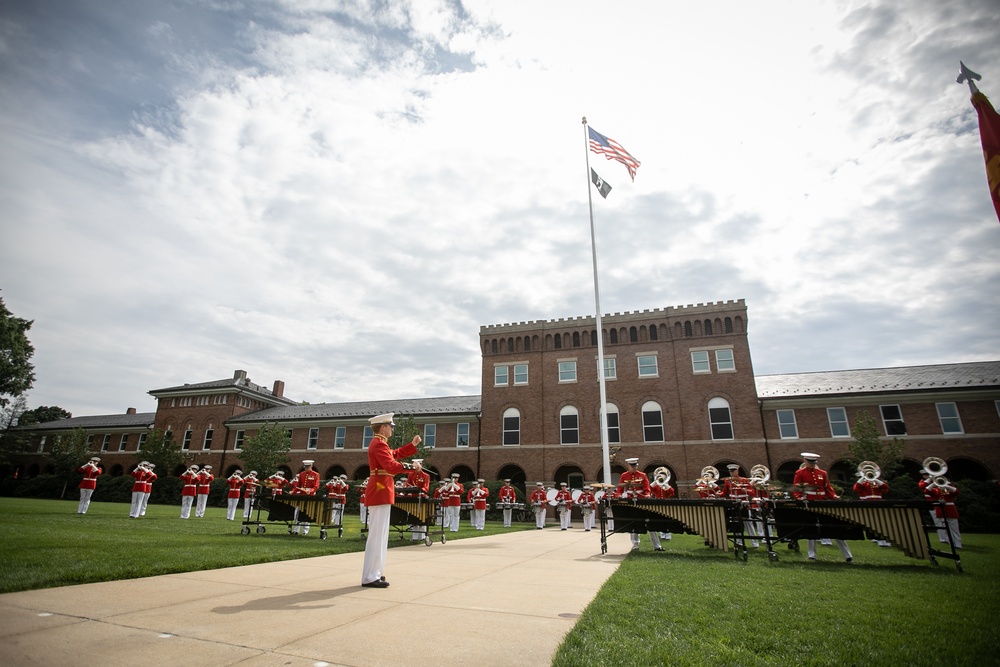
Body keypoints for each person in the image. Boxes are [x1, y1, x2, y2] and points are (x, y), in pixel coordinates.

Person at [361, 412, 421, 588]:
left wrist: (412, 446)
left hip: (382, 490)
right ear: (383, 427)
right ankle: (370, 576)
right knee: (377, 535)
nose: (392, 429)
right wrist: (413, 467)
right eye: (391, 426)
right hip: (380, 490)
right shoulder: (378, 444)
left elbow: (394, 454)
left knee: (381, 535)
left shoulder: (381, 444)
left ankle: (375, 573)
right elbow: (391, 466)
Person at [791, 452, 853, 562]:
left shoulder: (822, 473)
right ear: (805, 461)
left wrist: (834, 496)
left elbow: (827, 487)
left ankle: (848, 555)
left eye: (813, 462)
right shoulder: (800, 473)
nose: (812, 464)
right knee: (811, 528)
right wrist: (799, 497)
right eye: (810, 462)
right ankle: (812, 555)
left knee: (834, 527)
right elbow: (796, 487)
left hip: (823, 502)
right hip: (810, 502)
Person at [615, 457, 661, 551]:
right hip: (631, 501)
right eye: (632, 466)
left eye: (635, 465)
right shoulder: (624, 475)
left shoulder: (642, 475)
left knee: (649, 522)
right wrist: (619, 495)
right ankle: (635, 545)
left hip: (642, 500)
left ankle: (657, 546)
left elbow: (647, 488)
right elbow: (620, 489)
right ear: (629, 466)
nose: (634, 467)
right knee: (634, 523)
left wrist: (647, 494)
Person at [720, 464, 759, 548]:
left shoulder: (744, 480)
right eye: (730, 471)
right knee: (736, 523)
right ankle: (738, 542)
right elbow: (725, 492)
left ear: (737, 471)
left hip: (743, 502)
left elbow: (752, 492)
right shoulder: (727, 481)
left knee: (748, 523)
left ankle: (754, 543)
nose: (731, 473)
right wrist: (718, 494)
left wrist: (746, 490)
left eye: (733, 471)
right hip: (733, 503)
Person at [853, 470, 890, 546]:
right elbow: (856, 488)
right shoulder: (864, 483)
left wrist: (875, 479)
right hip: (869, 503)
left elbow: (886, 488)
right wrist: (863, 477)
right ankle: (876, 538)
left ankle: (885, 539)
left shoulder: (877, 483)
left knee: (882, 521)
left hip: (879, 503)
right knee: (873, 521)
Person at [925, 478, 962, 549]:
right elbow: (926, 490)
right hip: (941, 509)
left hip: (950, 509)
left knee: (954, 527)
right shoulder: (935, 490)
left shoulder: (949, 489)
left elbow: (957, 492)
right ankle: (951, 543)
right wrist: (934, 483)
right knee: (945, 528)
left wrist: (947, 485)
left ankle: (958, 544)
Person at [290, 459, 320, 535]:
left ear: (311, 466)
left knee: (307, 513)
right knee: (297, 512)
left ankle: (305, 531)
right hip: (302, 495)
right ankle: (296, 530)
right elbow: (298, 485)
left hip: (310, 495)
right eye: (305, 467)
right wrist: (293, 491)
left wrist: (310, 491)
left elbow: (316, 486)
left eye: (307, 467)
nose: (306, 468)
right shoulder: (301, 474)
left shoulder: (315, 474)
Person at [404, 459, 431, 541]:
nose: (416, 468)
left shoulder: (426, 476)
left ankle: (422, 536)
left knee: (422, 518)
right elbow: (408, 485)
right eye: (415, 466)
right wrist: (407, 490)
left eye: (418, 466)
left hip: (421, 498)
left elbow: (426, 487)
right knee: (414, 518)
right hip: (413, 498)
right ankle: (415, 537)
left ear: (421, 466)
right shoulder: (411, 475)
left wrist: (421, 490)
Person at [649, 472, 675, 541]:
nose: (661, 478)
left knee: (667, 519)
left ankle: (668, 536)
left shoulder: (667, 486)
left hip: (666, 504)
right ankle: (662, 535)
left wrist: (665, 484)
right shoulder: (657, 486)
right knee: (660, 519)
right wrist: (656, 481)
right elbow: (650, 489)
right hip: (658, 504)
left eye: (663, 477)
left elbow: (672, 492)